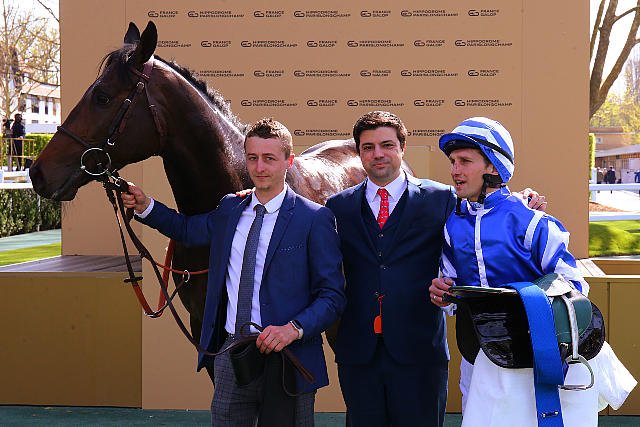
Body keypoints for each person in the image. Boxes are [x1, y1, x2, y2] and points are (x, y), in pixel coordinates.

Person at [325, 111, 547, 427]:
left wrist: (522, 198)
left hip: (421, 351)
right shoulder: (338, 206)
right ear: (358, 152)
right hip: (358, 352)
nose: (378, 154)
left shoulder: (443, 198)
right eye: (368, 147)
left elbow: (486, 207)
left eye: (387, 145)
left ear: (402, 148)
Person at [122, 118, 346, 426]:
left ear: (289, 161)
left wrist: (293, 329)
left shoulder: (315, 218)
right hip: (232, 352)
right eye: (252, 157)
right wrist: (146, 205)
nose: (260, 167)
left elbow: (332, 296)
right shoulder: (230, 208)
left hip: (290, 357)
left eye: (269, 158)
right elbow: (187, 229)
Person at [429, 117, 636, 426]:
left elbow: (574, 285)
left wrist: (528, 303)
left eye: (465, 161)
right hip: (478, 351)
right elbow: (452, 289)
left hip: (538, 352)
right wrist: (445, 294)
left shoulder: (532, 221)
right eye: (453, 162)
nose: (455, 170)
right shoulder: (452, 226)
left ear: (493, 166)